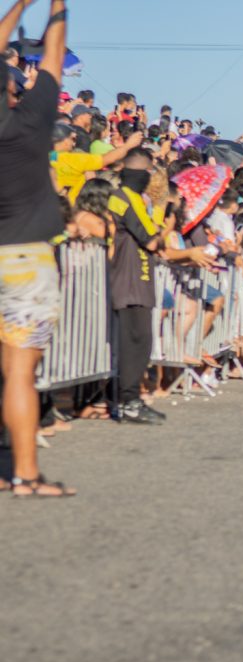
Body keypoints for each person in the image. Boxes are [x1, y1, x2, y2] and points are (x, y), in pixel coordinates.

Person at [0, 0, 76, 497]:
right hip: (27, 259)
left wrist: (17, 5)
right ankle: (25, 475)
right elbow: (54, 52)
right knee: (20, 373)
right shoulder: (31, 123)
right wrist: (56, 5)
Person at [108, 147, 167, 424]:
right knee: (137, 341)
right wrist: (165, 217)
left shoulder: (121, 197)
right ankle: (129, 401)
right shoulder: (129, 199)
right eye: (149, 172)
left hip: (132, 278)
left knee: (137, 341)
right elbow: (152, 240)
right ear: (140, 173)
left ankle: (128, 399)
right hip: (132, 280)